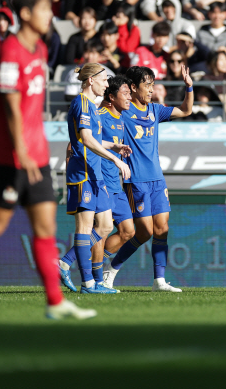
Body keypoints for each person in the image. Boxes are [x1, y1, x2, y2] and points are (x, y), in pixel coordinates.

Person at [0, 0, 96, 321]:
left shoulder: (41, 49)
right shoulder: (10, 50)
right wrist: (21, 149)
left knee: (46, 228)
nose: (51, 15)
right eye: (45, 9)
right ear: (28, 13)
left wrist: (35, 150)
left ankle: (55, 303)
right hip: (11, 158)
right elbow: (10, 102)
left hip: (38, 155)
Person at [101, 65, 194, 292]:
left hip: (157, 180)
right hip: (136, 181)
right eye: (147, 85)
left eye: (153, 84)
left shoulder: (155, 110)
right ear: (133, 87)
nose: (151, 89)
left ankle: (159, 281)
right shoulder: (122, 110)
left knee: (161, 229)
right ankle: (102, 267)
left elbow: (185, 110)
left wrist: (189, 87)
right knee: (144, 231)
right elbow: (102, 121)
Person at [58, 74, 136, 292]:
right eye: (103, 81)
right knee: (87, 228)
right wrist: (113, 158)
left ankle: (66, 263)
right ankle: (91, 282)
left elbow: (92, 139)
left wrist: (113, 147)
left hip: (97, 176)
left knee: (106, 227)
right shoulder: (84, 104)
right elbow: (83, 140)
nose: (105, 84)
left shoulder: (93, 107)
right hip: (85, 173)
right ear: (92, 80)